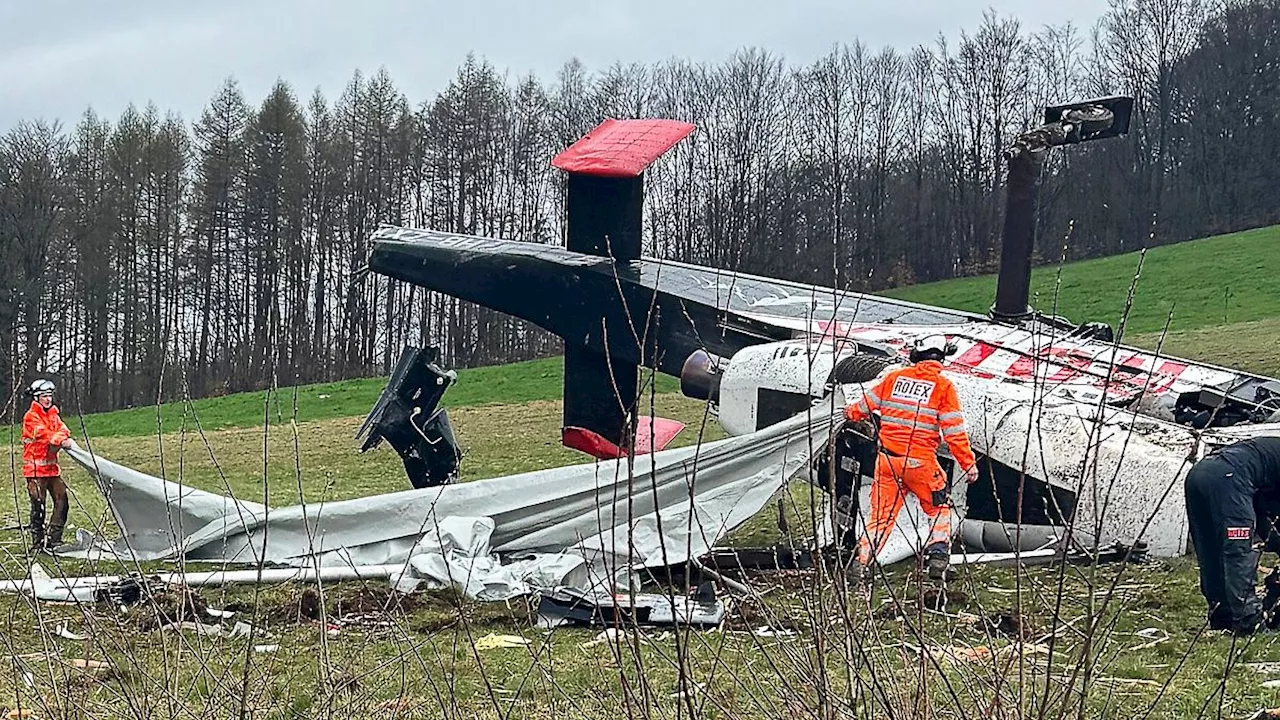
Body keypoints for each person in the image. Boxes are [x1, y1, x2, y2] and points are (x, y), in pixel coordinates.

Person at [843, 334, 980, 581]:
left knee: (880, 518)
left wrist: (848, 412)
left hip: (887, 462)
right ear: (941, 357)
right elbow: (953, 431)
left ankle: (860, 565)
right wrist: (968, 464)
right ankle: (937, 557)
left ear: (917, 354)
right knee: (939, 508)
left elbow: (861, 408)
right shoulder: (943, 387)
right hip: (920, 463)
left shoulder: (894, 379)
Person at [1183, 435, 1280, 635]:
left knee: (1210, 549)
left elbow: (1264, 510)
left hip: (1200, 473)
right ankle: (1249, 622)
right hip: (1231, 478)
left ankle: (1222, 616)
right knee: (1239, 551)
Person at [21, 379, 75, 552]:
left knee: (62, 501)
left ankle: (54, 540)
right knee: (39, 506)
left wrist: (60, 437)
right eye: (44, 396)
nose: (48, 399)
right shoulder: (31, 417)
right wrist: (60, 439)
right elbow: (44, 435)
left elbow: (64, 429)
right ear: (37, 398)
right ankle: (37, 544)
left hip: (52, 470)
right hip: (35, 471)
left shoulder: (53, 415)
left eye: (50, 395)